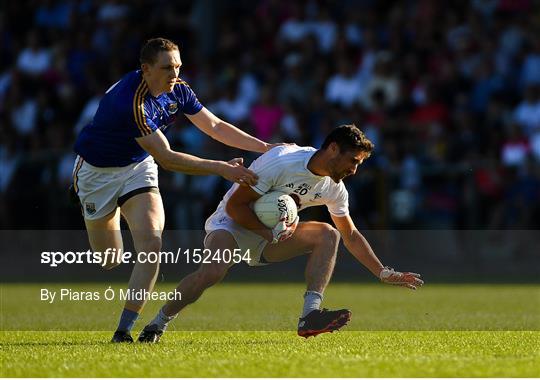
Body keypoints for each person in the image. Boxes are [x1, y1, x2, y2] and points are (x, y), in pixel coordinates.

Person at [72, 38, 281, 343]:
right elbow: (168, 158)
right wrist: (223, 168)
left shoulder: (178, 89)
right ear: (146, 69)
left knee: (152, 246)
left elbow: (215, 126)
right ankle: (109, 217)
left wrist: (265, 147)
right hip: (97, 176)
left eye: (178, 66)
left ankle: (123, 331)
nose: (175, 73)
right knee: (109, 259)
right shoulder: (131, 102)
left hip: (138, 168)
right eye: (167, 67)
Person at [139, 124, 424, 343]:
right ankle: (159, 321)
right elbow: (237, 207)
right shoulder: (283, 162)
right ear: (333, 149)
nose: (354, 169)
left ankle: (309, 315)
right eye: (353, 160)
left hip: (273, 235)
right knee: (211, 273)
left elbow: (350, 234)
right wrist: (269, 233)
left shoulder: (334, 188)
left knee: (329, 234)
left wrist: (383, 272)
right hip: (231, 225)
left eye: (360, 164)